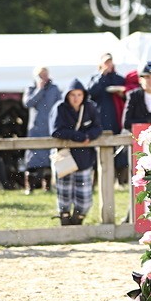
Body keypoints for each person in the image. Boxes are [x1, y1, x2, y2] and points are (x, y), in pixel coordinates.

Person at [50, 79, 103, 227]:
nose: (76, 98)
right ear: (67, 95)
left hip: (84, 158)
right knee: (64, 196)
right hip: (64, 156)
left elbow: (98, 128)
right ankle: (65, 223)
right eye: (72, 94)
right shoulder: (59, 108)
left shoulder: (90, 107)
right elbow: (55, 131)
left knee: (85, 199)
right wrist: (79, 136)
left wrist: (89, 136)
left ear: (83, 95)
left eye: (79, 94)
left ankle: (77, 223)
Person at [87, 53, 129, 184]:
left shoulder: (118, 78)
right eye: (106, 62)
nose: (109, 65)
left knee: (119, 149)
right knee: (98, 149)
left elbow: (126, 94)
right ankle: (97, 179)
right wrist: (102, 75)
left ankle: (120, 180)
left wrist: (122, 93)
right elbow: (91, 93)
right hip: (100, 120)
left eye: (110, 62)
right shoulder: (95, 78)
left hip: (116, 118)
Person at [23, 67, 62, 194]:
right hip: (35, 128)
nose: (44, 78)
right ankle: (30, 187)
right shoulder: (31, 88)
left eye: (45, 75)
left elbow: (60, 105)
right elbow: (28, 103)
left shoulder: (54, 89)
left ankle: (47, 186)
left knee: (49, 157)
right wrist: (39, 90)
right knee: (33, 159)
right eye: (41, 75)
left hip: (50, 128)